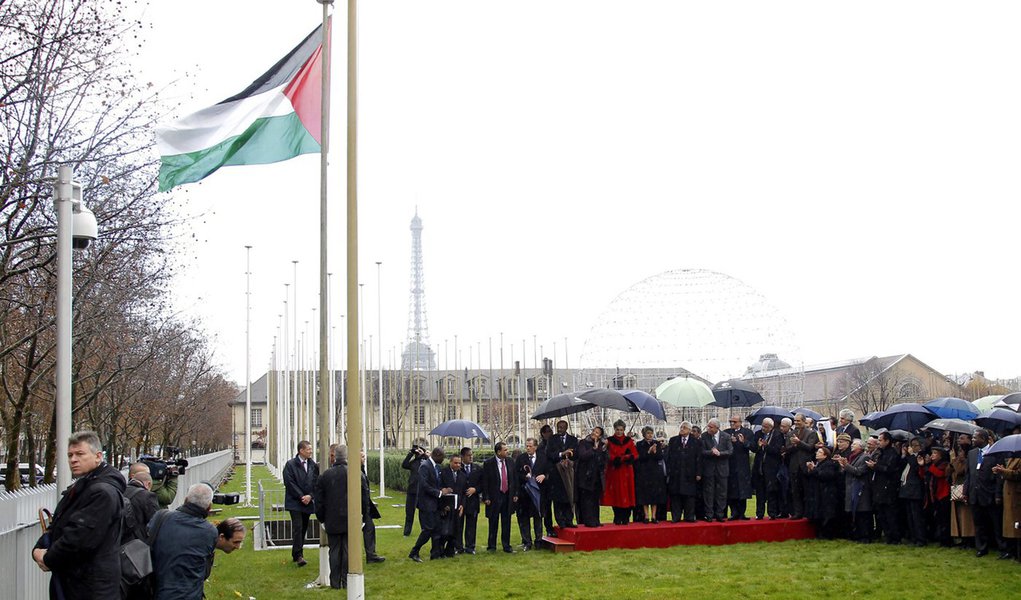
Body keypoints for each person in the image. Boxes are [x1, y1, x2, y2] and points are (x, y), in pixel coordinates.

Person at [32, 431, 125, 600]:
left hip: (90, 588)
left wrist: (47, 557)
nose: (73, 459)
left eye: (80, 454)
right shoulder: (85, 486)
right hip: (79, 583)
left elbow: (78, 540)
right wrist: (37, 550)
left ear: (98, 456)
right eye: (70, 455)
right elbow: (57, 525)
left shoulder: (101, 493)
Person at [149, 483, 218, 600]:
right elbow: (205, 570)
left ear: (186, 499)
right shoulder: (209, 531)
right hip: (190, 593)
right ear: (209, 507)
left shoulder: (161, 517)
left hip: (157, 589)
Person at [966, 429, 1008, 558]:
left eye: (975, 438)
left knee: (996, 524)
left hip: (989, 494)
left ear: (983, 439)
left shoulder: (995, 454)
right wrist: (965, 491)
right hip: (975, 494)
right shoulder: (972, 454)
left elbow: (998, 477)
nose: (972, 440)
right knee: (979, 524)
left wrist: (997, 494)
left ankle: (1003, 548)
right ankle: (981, 548)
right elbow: (969, 474)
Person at [315, 444, 350, 588]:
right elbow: (364, 497)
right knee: (348, 550)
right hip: (349, 518)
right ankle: (347, 581)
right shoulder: (354, 473)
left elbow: (319, 501)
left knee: (334, 551)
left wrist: (322, 518)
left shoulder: (325, 476)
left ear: (334, 456)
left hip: (332, 519)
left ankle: (335, 582)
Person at [409, 447, 449, 562]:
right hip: (426, 504)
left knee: (437, 529)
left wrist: (443, 490)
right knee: (428, 529)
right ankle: (414, 552)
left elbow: (436, 483)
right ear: (437, 455)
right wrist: (440, 493)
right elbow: (424, 485)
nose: (443, 459)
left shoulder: (437, 467)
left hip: (435, 503)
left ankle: (435, 554)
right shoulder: (425, 467)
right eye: (442, 457)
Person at [282, 440, 318, 566]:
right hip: (295, 502)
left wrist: (310, 496)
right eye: (308, 449)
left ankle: (296, 552)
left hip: (307, 502)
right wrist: (301, 496)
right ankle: (298, 555)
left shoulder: (313, 465)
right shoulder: (290, 465)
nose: (311, 451)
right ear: (301, 451)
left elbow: (316, 482)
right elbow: (289, 482)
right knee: (298, 527)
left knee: (303, 528)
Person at [836, 438, 874, 542]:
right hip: (851, 488)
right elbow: (848, 471)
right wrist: (843, 466)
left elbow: (859, 471)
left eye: (854, 444)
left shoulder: (865, 457)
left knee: (862, 515)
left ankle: (865, 537)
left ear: (860, 447)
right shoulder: (852, 457)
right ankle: (857, 535)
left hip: (861, 489)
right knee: (855, 514)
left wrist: (846, 465)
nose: (852, 445)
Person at [867, 431, 902, 545]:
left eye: (881, 440)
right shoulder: (881, 453)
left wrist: (876, 466)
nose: (879, 443)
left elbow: (889, 469)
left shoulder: (893, 454)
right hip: (879, 487)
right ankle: (888, 536)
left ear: (887, 441)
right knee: (882, 514)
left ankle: (894, 537)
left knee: (890, 514)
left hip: (888, 487)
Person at [482, 442, 517, 553]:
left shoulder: (510, 462)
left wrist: (515, 494)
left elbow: (514, 479)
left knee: (506, 521)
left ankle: (506, 545)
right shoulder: (489, 463)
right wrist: (486, 496)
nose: (508, 451)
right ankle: (492, 546)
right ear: (498, 452)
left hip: (507, 495)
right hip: (494, 496)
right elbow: (485, 481)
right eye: (505, 450)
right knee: (493, 522)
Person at [544, 420, 578, 530]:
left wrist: (568, 458)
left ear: (566, 427)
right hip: (556, 474)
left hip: (569, 473)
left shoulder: (573, 440)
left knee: (569, 497)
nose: (559, 429)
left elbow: (576, 454)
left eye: (562, 427)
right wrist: (561, 455)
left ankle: (569, 519)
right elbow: (548, 454)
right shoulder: (552, 439)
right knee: (558, 499)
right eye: (558, 427)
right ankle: (560, 520)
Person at [603, 420, 638, 525]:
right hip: (615, 471)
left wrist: (627, 457)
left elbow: (635, 454)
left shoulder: (629, 441)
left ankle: (626, 516)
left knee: (627, 494)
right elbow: (608, 455)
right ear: (614, 429)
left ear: (624, 430)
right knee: (616, 495)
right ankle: (617, 516)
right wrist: (621, 458)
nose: (619, 432)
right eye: (617, 430)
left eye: (621, 430)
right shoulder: (609, 441)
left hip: (627, 471)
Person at [666, 421, 701, 523]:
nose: (682, 429)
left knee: (689, 496)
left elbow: (699, 458)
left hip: (690, 473)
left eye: (684, 427)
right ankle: (676, 517)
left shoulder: (696, 442)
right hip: (676, 473)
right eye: (681, 427)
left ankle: (689, 516)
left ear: (690, 430)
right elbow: (669, 456)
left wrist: (698, 473)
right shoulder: (673, 440)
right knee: (675, 495)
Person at [787, 413, 820, 520]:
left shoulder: (811, 433)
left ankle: (808, 512)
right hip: (794, 466)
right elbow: (788, 448)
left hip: (805, 466)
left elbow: (810, 447)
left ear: (804, 421)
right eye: (795, 421)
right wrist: (795, 445)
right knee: (795, 491)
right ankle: (798, 512)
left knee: (807, 491)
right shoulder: (791, 433)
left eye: (798, 421)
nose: (796, 423)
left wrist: (799, 442)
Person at [514, 438, 546, 550]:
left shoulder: (543, 457)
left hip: (538, 493)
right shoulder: (521, 459)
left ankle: (539, 541)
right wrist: (524, 477)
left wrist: (544, 476)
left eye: (530, 446)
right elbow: (516, 474)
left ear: (535, 447)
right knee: (524, 518)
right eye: (526, 446)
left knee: (538, 517)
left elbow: (549, 471)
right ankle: (527, 542)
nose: (528, 448)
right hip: (525, 494)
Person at [751, 417, 784, 520]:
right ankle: (759, 513)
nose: (763, 428)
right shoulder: (758, 434)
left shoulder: (777, 435)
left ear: (771, 427)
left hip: (771, 468)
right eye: (762, 426)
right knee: (760, 492)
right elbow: (753, 449)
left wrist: (767, 446)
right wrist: (758, 446)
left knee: (771, 491)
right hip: (759, 467)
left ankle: (772, 513)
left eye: (765, 427)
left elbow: (777, 451)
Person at [700, 418, 733, 522]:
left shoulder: (726, 437)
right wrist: (711, 452)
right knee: (708, 493)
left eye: (711, 427)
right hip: (709, 469)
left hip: (722, 470)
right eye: (708, 426)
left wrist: (720, 453)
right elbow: (701, 451)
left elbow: (730, 451)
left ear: (717, 428)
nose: (708, 428)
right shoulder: (704, 436)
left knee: (722, 493)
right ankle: (709, 515)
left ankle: (720, 514)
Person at [804, 446, 841, 539]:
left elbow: (826, 476)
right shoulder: (818, 464)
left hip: (826, 493)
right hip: (818, 493)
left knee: (826, 514)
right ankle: (820, 533)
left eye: (820, 452)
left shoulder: (828, 464)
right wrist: (810, 470)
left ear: (825, 455)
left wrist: (814, 469)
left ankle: (826, 534)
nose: (817, 453)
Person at [575, 426, 608, 527]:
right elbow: (582, 455)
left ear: (600, 436)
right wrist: (593, 449)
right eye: (594, 431)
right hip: (585, 476)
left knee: (595, 500)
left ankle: (596, 520)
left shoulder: (602, 445)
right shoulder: (583, 443)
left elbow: (604, 460)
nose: (594, 433)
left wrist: (603, 449)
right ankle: (587, 521)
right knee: (586, 500)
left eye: (597, 432)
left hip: (597, 476)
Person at [724, 415, 754, 520]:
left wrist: (744, 442)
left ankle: (742, 513)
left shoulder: (748, 432)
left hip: (742, 466)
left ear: (740, 422)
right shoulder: (726, 433)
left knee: (743, 490)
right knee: (732, 490)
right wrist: (729, 441)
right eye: (730, 421)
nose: (732, 423)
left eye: (734, 421)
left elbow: (754, 447)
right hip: (730, 465)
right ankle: (734, 512)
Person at [635, 426, 667, 524]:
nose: (650, 435)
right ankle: (646, 516)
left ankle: (654, 516)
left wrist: (655, 452)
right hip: (644, 472)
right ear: (644, 434)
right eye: (648, 433)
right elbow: (640, 457)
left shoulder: (656, 443)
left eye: (651, 433)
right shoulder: (639, 444)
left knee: (654, 496)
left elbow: (660, 457)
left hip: (655, 473)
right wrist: (648, 452)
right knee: (645, 496)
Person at [948, 433, 975, 549]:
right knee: (958, 515)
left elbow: (960, 470)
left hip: (965, 487)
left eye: (963, 438)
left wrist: (954, 460)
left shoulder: (970, 454)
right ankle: (962, 538)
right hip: (956, 486)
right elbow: (949, 472)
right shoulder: (960, 452)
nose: (960, 440)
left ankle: (969, 539)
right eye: (959, 438)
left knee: (966, 516)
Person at [899, 437, 928, 547]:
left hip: (916, 490)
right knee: (910, 516)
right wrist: (903, 454)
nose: (912, 447)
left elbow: (916, 469)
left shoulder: (921, 456)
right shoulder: (909, 457)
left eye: (915, 445)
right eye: (911, 445)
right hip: (906, 489)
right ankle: (913, 537)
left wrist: (911, 455)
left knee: (917, 517)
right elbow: (902, 466)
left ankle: (921, 538)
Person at [359, 450, 386, 563]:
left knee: (370, 529)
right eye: (362, 457)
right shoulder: (356, 472)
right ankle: (370, 555)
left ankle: (371, 554)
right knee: (368, 529)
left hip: (364, 506)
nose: (364, 458)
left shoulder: (361, 470)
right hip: (361, 507)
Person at [992, 454, 1021, 558]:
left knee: (1016, 524)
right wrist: (1001, 470)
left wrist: (1003, 471)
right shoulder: (1011, 459)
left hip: (1016, 496)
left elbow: (1018, 474)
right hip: (1009, 494)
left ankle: (1016, 552)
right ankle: (1010, 550)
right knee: (1009, 524)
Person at [439, 454, 466, 556]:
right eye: (455, 463)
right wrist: (443, 505)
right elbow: (440, 488)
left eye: (459, 463)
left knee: (456, 530)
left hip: (458, 507)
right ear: (450, 462)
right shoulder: (443, 473)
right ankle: (440, 549)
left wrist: (462, 505)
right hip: (446, 506)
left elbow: (464, 492)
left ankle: (450, 550)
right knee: (445, 531)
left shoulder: (462, 475)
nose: (458, 465)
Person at [926, 446, 952, 547]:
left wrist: (930, 465)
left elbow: (939, 474)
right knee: (939, 519)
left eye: (935, 453)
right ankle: (940, 538)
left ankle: (946, 540)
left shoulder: (944, 465)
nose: (932, 455)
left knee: (944, 520)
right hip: (935, 495)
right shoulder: (933, 465)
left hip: (943, 494)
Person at [460, 447, 483, 554]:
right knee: (458, 525)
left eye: (471, 455)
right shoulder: (458, 468)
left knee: (471, 526)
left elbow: (483, 483)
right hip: (461, 501)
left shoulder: (477, 468)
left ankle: (470, 547)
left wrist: (475, 489)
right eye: (468, 455)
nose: (471, 457)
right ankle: (458, 546)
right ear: (463, 457)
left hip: (473, 501)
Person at [401, 445, 427, 536]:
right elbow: (404, 465)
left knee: (423, 513)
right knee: (409, 513)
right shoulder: (414, 462)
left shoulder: (425, 462)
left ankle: (425, 531)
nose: (418, 452)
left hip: (422, 492)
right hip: (412, 490)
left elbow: (432, 463)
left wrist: (424, 455)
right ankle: (407, 532)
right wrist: (411, 453)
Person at [536, 424, 556, 536]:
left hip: (555, 477)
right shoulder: (541, 448)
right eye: (547, 431)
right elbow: (542, 462)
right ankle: (548, 528)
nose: (550, 433)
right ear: (543, 434)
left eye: (551, 431)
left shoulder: (554, 443)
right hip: (546, 479)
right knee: (546, 506)